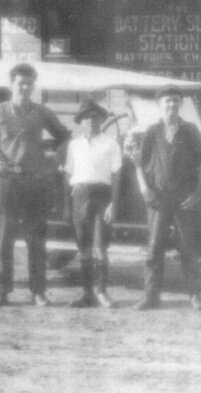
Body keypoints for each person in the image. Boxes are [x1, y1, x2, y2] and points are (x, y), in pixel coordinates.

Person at [0, 62, 70, 307]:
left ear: (34, 85)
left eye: (29, 83)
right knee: (4, 237)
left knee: (36, 239)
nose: (25, 87)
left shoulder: (42, 112)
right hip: (7, 181)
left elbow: (65, 138)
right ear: (11, 85)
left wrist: (53, 164)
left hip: (35, 183)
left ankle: (38, 292)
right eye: (20, 83)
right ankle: (2, 291)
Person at [133, 86, 201, 310]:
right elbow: (139, 164)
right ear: (160, 104)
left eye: (176, 101)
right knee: (154, 247)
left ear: (180, 104)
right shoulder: (151, 131)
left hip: (183, 198)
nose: (172, 105)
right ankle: (151, 297)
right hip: (157, 198)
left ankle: (195, 296)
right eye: (167, 101)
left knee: (187, 247)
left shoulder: (190, 130)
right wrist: (144, 189)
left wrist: (197, 193)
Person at [61, 100, 123, 309]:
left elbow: (116, 176)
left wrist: (113, 203)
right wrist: (67, 204)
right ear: (81, 121)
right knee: (84, 247)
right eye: (87, 117)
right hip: (79, 195)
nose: (91, 121)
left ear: (101, 119)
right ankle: (87, 294)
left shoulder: (111, 143)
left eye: (95, 117)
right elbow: (69, 173)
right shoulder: (74, 145)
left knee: (100, 247)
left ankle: (102, 291)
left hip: (102, 196)